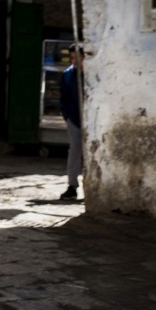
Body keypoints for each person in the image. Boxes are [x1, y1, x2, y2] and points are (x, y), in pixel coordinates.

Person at [59, 43, 84, 200]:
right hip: (74, 118)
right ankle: (72, 185)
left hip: (92, 120)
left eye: (77, 57)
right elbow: (64, 98)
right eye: (72, 57)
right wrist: (67, 116)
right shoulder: (68, 74)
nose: (74, 61)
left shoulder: (91, 73)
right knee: (74, 151)